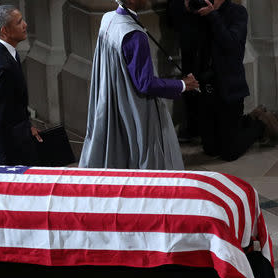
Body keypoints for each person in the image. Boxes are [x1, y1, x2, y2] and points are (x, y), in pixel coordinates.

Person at [79, 0, 200, 170]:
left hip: (111, 98)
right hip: (134, 106)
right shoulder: (134, 35)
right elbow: (145, 83)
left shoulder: (107, 19)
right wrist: (182, 85)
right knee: (147, 155)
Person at [168, 0, 278, 161]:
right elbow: (175, 24)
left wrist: (213, 16)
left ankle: (259, 123)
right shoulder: (197, 13)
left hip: (229, 89)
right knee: (211, 149)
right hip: (205, 89)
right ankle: (240, 123)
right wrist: (184, 6)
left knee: (229, 153)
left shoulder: (237, 12)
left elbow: (232, 46)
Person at [0, 5, 43, 166]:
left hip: (12, 139)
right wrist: (5, 169)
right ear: (5, 31)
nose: (25, 25)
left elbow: (13, 104)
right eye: (19, 23)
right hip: (0, 153)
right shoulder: (1, 68)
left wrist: (27, 125)